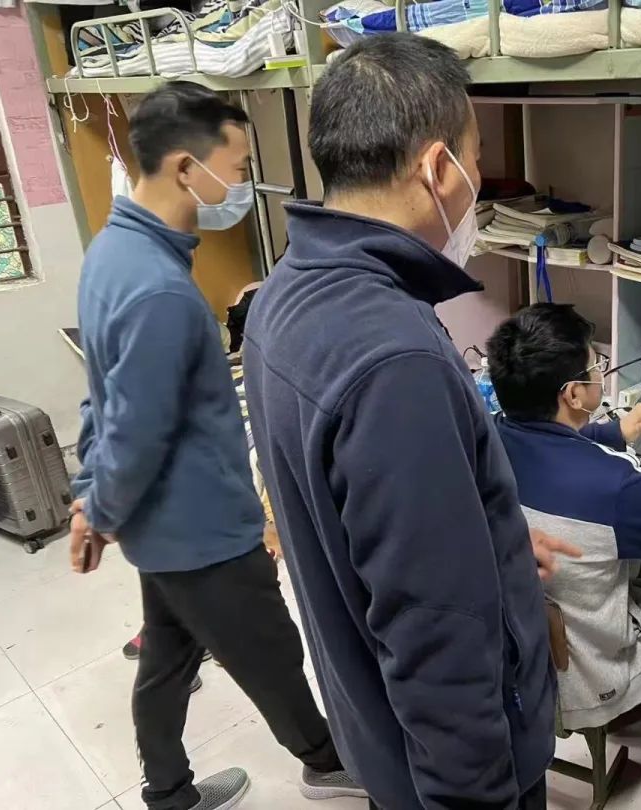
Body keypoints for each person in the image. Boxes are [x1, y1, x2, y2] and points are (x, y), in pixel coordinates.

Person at [243, 34, 575, 810]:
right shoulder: (395, 359)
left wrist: (484, 540)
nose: (477, 182)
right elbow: (435, 639)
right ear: (437, 167)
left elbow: (359, 520)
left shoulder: (285, 293)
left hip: (381, 738)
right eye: (476, 158)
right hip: (455, 776)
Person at [69, 81, 362, 810]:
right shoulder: (159, 290)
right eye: (235, 168)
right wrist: (98, 509)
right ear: (183, 167)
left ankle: (169, 794)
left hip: (162, 532)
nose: (239, 186)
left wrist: (92, 496)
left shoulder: (111, 252)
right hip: (201, 532)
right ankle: (327, 764)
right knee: (271, 654)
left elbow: (101, 394)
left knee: (168, 657)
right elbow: (135, 428)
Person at [486, 303, 641, 779]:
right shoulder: (615, 483)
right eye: (596, 365)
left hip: (523, 648)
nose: (601, 373)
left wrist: (612, 431)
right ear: (574, 393)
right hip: (585, 671)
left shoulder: (491, 436)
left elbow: (549, 442)